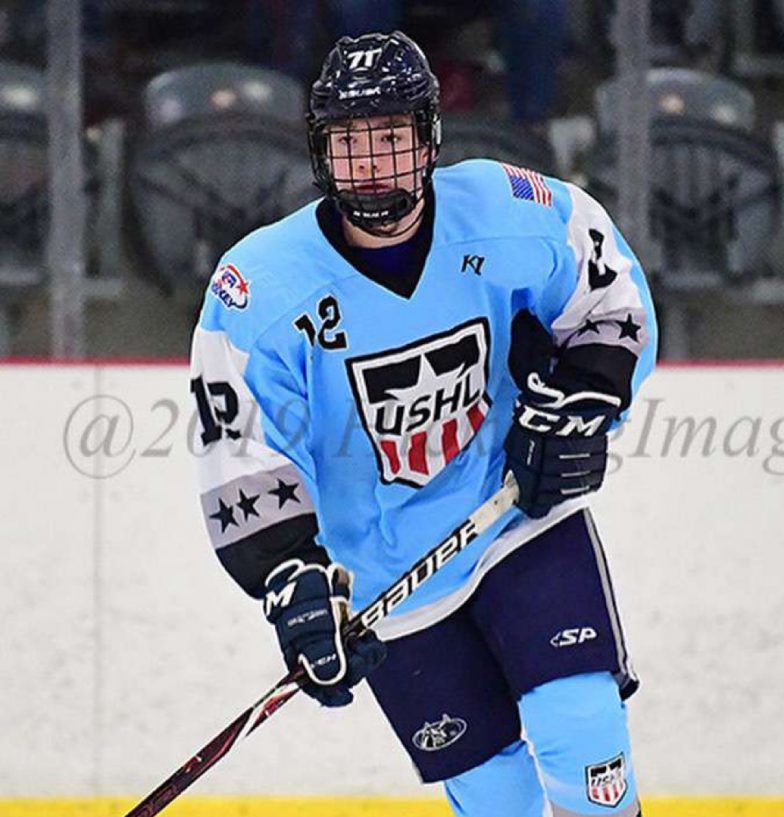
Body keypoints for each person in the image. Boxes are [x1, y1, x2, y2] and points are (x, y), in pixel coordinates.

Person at [190, 30, 656, 817]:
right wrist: (291, 577)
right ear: (319, 152)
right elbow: (239, 447)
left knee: (581, 727)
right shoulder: (259, 289)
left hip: (514, 511)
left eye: (392, 140)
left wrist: (581, 403)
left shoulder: (511, 210)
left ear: (430, 139)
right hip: (384, 573)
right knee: (494, 796)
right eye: (350, 144)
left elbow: (608, 298)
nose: (371, 165)